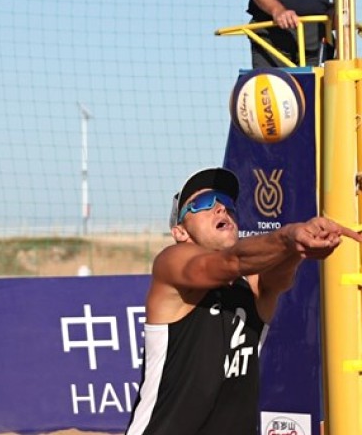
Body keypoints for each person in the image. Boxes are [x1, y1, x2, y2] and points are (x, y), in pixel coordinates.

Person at [124, 167, 361, 434]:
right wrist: (288, 236)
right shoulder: (172, 263)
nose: (221, 209)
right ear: (180, 232)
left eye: (227, 204)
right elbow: (231, 261)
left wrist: (298, 247)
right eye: (204, 203)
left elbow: (278, 277)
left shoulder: (254, 285)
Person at [246, 0, 333, 68]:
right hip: (272, 34)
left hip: (317, 37)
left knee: (321, 82)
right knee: (274, 82)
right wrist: (277, 10)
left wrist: (337, 12)